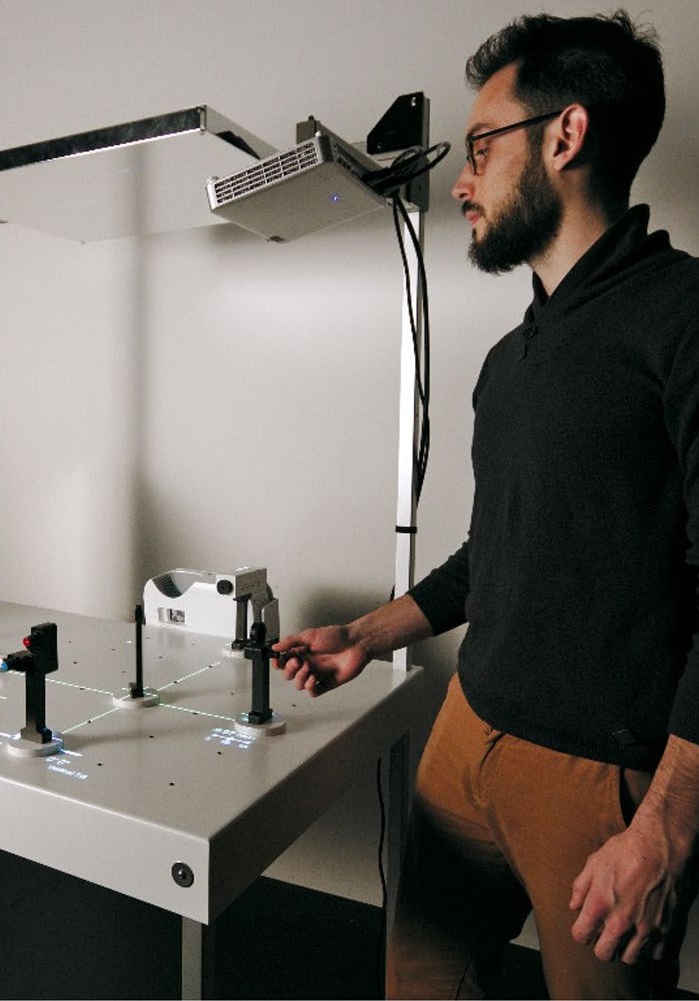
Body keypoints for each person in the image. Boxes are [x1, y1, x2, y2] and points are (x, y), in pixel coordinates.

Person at [272, 10, 699, 999]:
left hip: (602, 780)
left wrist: (669, 825)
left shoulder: (682, 317)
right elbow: (493, 551)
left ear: (565, 135)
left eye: (478, 149)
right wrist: (365, 636)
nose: (460, 183)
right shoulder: (511, 359)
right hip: (464, 733)